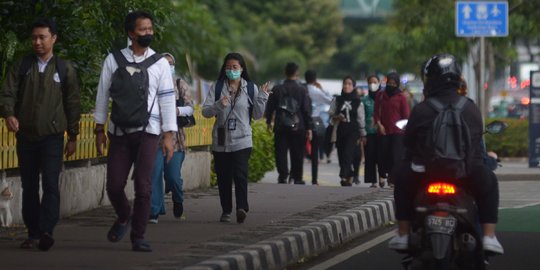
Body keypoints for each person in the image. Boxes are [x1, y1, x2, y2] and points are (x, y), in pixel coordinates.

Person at [388, 54, 504, 254]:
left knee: (402, 181)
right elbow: (476, 144)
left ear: (429, 79)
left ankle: (403, 233)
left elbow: (408, 142)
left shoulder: (422, 109)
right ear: (457, 78)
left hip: (425, 173)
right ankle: (489, 237)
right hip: (465, 173)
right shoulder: (471, 109)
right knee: (490, 182)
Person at [94, 11, 177, 252]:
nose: (148, 33)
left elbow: (167, 100)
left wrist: (169, 135)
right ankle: (123, 216)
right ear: (131, 33)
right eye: (143, 29)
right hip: (119, 131)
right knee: (114, 185)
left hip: (148, 132)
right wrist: (99, 128)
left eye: (150, 28)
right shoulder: (113, 60)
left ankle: (138, 236)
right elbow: (102, 95)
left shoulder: (160, 63)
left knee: (144, 187)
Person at [0, 17, 80, 251]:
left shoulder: (65, 69)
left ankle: (46, 230)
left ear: (53, 38)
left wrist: (73, 136)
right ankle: (33, 232)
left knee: (51, 184)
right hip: (26, 136)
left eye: (42, 37)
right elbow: (7, 93)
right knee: (29, 185)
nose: (37, 42)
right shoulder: (22, 66)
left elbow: (73, 103)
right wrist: (9, 114)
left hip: (53, 137)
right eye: (34, 37)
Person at [202, 52, 269, 223]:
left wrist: (262, 97)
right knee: (224, 176)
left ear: (242, 69)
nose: (231, 70)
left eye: (235, 67)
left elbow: (257, 115)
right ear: (224, 69)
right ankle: (226, 210)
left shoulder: (251, 88)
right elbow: (205, 112)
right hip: (222, 138)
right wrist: (218, 105)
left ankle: (241, 207)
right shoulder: (217, 87)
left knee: (240, 174)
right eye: (228, 67)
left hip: (242, 138)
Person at [148, 53, 194, 224]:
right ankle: (154, 210)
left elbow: (190, 108)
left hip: (176, 141)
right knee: (154, 173)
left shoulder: (179, 84)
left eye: (171, 64)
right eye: (163, 64)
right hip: (155, 138)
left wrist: (177, 111)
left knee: (173, 177)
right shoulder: (151, 84)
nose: (167, 67)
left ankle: (178, 199)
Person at [265, 62, 313, 185]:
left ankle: (283, 175)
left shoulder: (276, 89)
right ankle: (297, 177)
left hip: (281, 125)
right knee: (297, 152)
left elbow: (270, 108)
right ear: (297, 73)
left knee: (280, 152)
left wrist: (269, 122)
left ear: (285, 73)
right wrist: (309, 127)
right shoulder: (302, 90)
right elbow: (306, 110)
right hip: (299, 126)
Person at [373, 72, 410, 187]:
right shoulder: (380, 95)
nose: (391, 85)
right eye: (389, 83)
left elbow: (406, 116)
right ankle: (383, 175)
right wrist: (379, 124)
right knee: (383, 155)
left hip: (397, 132)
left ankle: (392, 179)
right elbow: (376, 112)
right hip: (383, 130)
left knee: (395, 156)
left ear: (397, 84)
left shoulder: (401, 97)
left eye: (394, 83)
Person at [329, 76, 366, 186]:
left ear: (353, 87)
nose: (346, 86)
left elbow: (361, 119)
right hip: (340, 130)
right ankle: (349, 175)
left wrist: (363, 134)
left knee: (348, 152)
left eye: (349, 84)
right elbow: (331, 113)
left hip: (353, 131)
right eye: (345, 83)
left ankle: (344, 175)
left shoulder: (358, 102)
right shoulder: (337, 100)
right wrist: (337, 116)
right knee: (341, 154)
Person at [305, 69, 332, 185]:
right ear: (315, 79)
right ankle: (314, 179)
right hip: (315, 120)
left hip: (302, 121)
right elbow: (331, 100)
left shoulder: (302, 89)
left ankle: (294, 177)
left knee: (297, 151)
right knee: (315, 151)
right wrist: (322, 89)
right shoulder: (316, 91)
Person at [362, 75, 384, 188]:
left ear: (379, 83)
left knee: (381, 155)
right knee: (369, 156)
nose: (372, 84)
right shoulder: (364, 100)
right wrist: (362, 134)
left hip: (381, 132)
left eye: (375, 82)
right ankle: (372, 180)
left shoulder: (383, 99)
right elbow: (361, 116)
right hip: (368, 132)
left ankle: (382, 177)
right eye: (370, 82)